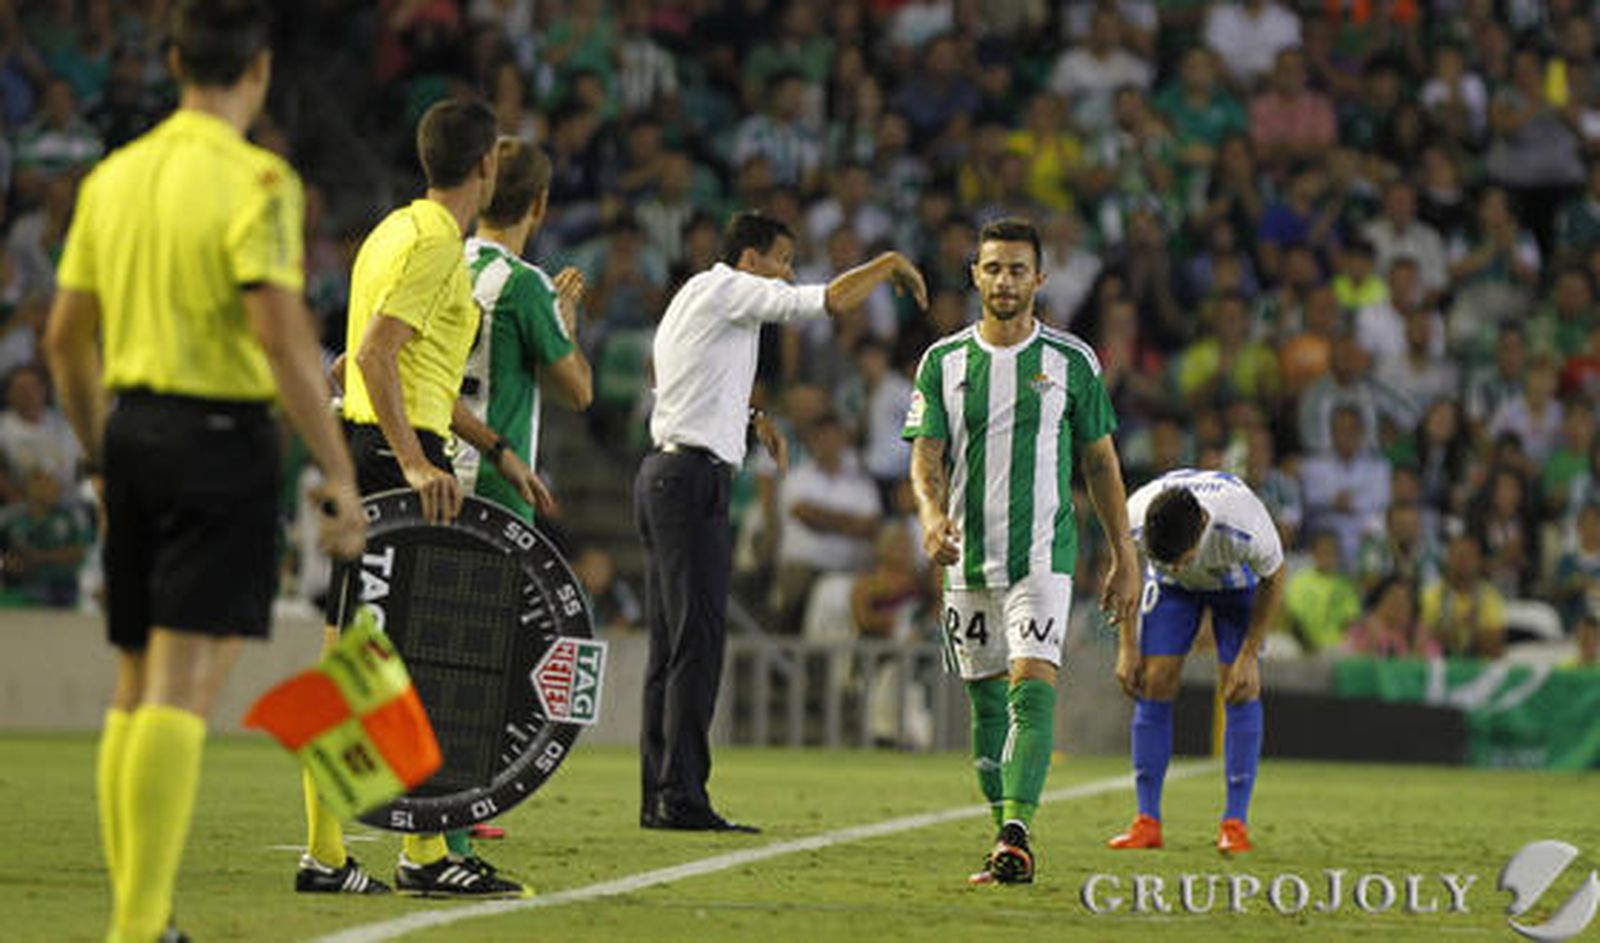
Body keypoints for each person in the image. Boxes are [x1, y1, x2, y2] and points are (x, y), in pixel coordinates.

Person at [43, 2, 367, 939]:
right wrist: (337, 470)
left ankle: (140, 915)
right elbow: (280, 335)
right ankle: (140, 927)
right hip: (219, 440)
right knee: (183, 688)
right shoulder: (259, 180)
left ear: (176, 62)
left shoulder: (113, 177)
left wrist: (101, 454)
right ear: (258, 71)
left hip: (133, 430)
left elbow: (65, 340)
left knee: (135, 680)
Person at [296, 99, 550, 900]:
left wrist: (494, 447)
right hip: (394, 459)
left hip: (368, 444)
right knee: (411, 667)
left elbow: (368, 365)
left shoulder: (391, 231)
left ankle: (338, 854)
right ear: (485, 169)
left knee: (358, 664)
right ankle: (424, 855)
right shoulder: (441, 244)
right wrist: (412, 460)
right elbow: (376, 356)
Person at [637, 210, 927, 834]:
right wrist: (884, 264)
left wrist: (746, 420)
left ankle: (659, 791)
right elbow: (824, 300)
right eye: (783, 259)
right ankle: (682, 797)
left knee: (671, 645)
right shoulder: (730, 287)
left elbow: (684, 377)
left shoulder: (697, 294)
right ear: (751, 260)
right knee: (697, 645)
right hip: (690, 483)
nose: (788, 271)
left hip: (667, 474)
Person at [902, 217, 1142, 886]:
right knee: (983, 708)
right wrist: (929, 515)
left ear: (1039, 278)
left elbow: (1100, 463)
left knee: (1031, 693)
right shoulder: (942, 362)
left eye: (1017, 269)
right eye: (993, 268)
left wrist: (1124, 553)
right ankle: (1002, 821)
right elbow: (927, 452)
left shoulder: (1072, 361)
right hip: (966, 558)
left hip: (1043, 555)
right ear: (974, 275)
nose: (1004, 280)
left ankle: (1017, 833)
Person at [445, 136, 592, 854]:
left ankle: (444, 813)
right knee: (481, 662)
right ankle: (452, 836)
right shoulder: (524, 283)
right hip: (499, 489)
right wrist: (564, 318)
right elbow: (578, 390)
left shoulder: (444, 260)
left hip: (435, 471)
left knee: (440, 648)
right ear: (538, 203)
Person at [1108, 467, 1286, 855]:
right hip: (1174, 595)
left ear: (1203, 525)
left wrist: (1250, 654)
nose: (1173, 565)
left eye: (1181, 559)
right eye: (1165, 559)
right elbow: (1125, 572)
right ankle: (1146, 822)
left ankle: (1235, 823)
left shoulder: (1244, 523)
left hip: (1236, 591)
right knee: (1153, 680)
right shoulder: (1135, 515)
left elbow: (1275, 578)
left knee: (1239, 686)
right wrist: (1127, 645)